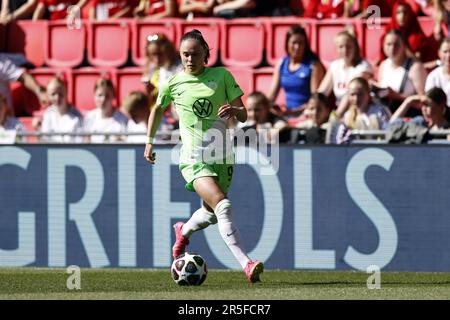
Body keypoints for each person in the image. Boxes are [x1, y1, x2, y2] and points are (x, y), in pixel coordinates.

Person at [143, 29, 264, 283]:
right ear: (180, 55)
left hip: (222, 156)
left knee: (211, 213)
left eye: (195, 54)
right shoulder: (173, 83)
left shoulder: (221, 76)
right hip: (193, 159)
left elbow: (243, 116)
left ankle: (183, 231)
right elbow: (157, 109)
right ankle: (247, 264)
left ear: (205, 54)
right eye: (185, 54)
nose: (190, 59)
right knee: (223, 205)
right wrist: (149, 141)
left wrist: (234, 109)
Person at [267, 24, 325, 119]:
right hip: (286, 114)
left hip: (305, 115)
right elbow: (271, 96)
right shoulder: (282, 63)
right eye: (294, 43)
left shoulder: (313, 66)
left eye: (301, 43)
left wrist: (293, 112)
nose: (297, 47)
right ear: (287, 44)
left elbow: (315, 101)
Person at [317, 30, 374, 116]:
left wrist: (336, 117)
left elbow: (350, 95)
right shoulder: (335, 65)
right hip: (340, 112)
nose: (345, 50)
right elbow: (321, 93)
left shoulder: (364, 67)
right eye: (341, 47)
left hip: (358, 112)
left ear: (355, 47)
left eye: (348, 46)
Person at [375, 29, 427, 116]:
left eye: (396, 44)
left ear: (404, 46)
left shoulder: (415, 67)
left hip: (408, 115)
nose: (392, 48)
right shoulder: (383, 65)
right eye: (388, 44)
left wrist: (397, 96)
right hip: (386, 113)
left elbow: (423, 101)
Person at [142, 33, 182, 133]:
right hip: (157, 113)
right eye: (153, 55)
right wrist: (149, 91)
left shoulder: (180, 67)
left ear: (168, 50)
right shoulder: (151, 69)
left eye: (160, 54)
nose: (157, 59)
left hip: (176, 114)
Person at [84, 78, 128, 143]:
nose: (103, 99)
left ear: (113, 96)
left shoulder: (123, 119)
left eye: (107, 96)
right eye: (99, 95)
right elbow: (86, 143)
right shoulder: (89, 117)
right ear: (94, 96)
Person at [40, 77, 83, 143]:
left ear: (66, 92)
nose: (57, 97)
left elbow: (79, 144)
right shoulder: (47, 114)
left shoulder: (77, 117)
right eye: (53, 94)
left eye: (60, 93)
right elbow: (45, 141)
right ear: (48, 95)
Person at [425, 38, 450, 108]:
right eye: (445, 52)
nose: (448, 56)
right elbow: (429, 102)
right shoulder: (433, 77)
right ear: (439, 53)